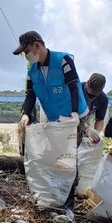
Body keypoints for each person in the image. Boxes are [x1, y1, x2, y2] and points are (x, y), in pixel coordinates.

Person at [13, 30, 89, 211]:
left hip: (74, 116)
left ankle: (68, 204)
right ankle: (54, 194)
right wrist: (25, 114)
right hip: (55, 118)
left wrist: (74, 113)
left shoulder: (63, 60)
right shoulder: (32, 71)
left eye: (27, 51)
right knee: (54, 155)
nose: (26, 56)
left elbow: (73, 86)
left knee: (68, 157)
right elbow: (30, 96)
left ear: (37, 46)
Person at [80, 73, 109, 144]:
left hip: (86, 121)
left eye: (95, 93)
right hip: (70, 119)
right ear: (87, 82)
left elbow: (100, 119)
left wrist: (96, 133)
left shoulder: (103, 99)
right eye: (90, 91)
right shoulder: (77, 90)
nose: (91, 95)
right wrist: (87, 129)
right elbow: (71, 113)